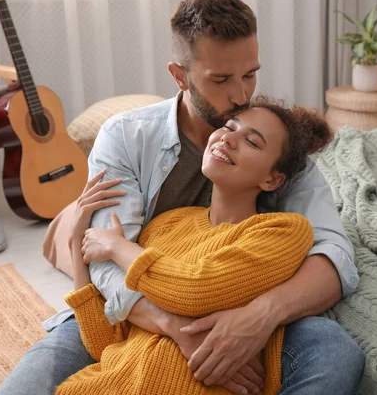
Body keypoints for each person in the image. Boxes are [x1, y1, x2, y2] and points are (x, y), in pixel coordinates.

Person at [0, 0, 363, 394]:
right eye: (220, 80)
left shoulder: (278, 151)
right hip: (130, 313)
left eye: (251, 74)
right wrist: (177, 329)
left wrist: (259, 316)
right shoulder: (126, 137)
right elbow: (105, 264)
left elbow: (334, 255)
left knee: (334, 349)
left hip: (234, 307)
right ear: (180, 75)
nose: (241, 96)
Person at [57, 96, 334, 395]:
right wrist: (76, 243)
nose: (228, 139)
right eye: (229, 127)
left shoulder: (282, 231)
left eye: (252, 142)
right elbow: (105, 342)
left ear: (272, 180)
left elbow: (194, 289)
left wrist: (117, 247)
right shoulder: (168, 224)